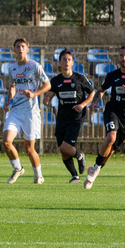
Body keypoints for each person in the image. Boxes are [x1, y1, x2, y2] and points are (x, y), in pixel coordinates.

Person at [83, 46, 125, 189]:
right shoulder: (113, 75)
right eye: (121, 56)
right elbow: (101, 90)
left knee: (111, 150)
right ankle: (96, 168)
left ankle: (96, 168)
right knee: (111, 137)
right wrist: (95, 102)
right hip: (113, 111)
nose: (124, 58)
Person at [2, 38, 51, 184]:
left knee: (29, 149)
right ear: (14, 49)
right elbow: (12, 87)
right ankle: (18, 168)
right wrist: (8, 101)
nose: (21, 49)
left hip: (31, 112)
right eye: (18, 46)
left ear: (27, 49)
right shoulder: (12, 68)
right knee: (6, 142)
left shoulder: (34, 66)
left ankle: (38, 176)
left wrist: (34, 94)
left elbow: (47, 84)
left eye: (23, 46)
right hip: (16, 110)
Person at [43, 49, 94, 184]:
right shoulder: (56, 80)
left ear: (72, 62)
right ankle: (75, 176)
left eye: (69, 60)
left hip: (76, 117)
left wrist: (83, 105)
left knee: (66, 147)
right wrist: (46, 99)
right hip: (62, 117)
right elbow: (50, 94)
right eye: (64, 60)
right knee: (62, 150)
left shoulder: (80, 78)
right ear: (59, 62)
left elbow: (92, 93)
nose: (66, 62)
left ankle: (79, 155)